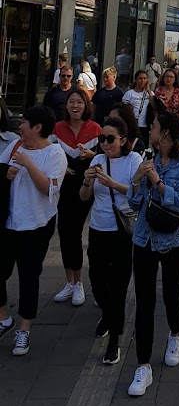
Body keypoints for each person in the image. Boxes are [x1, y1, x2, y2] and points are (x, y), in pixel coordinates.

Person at [126, 112, 179, 396]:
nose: (150, 130)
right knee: (144, 301)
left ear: (165, 132)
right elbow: (134, 204)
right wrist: (136, 181)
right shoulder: (147, 159)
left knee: (170, 295)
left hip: (173, 239)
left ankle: (175, 333)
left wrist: (158, 183)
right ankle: (143, 365)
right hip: (144, 237)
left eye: (154, 126)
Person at [0, 106, 67, 356]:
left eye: (25, 122)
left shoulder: (55, 154)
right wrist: (4, 172)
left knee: (29, 277)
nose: (20, 126)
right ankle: (4, 318)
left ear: (37, 128)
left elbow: (48, 189)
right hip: (9, 222)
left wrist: (28, 163)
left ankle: (24, 330)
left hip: (36, 225)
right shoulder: (15, 146)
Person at [80, 116, 142, 364]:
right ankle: (107, 314)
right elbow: (84, 197)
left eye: (109, 139)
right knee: (96, 279)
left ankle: (115, 339)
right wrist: (88, 181)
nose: (104, 143)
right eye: (101, 139)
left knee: (118, 285)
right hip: (98, 228)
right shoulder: (97, 160)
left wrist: (111, 183)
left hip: (122, 231)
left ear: (123, 140)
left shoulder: (133, 160)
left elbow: (138, 193)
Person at [52, 88, 102, 306]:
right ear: (66, 105)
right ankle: (69, 282)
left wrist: (91, 154)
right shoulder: (57, 128)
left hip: (85, 186)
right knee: (64, 231)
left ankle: (79, 282)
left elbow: (105, 156)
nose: (75, 106)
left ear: (86, 105)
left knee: (75, 231)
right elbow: (50, 154)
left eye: (79, 102)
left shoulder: (95, 129)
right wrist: (60, 168)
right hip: (64, 186)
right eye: (71, 101)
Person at [122, 70, 155, 143]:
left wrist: (149, 91)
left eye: (144, 78)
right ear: (136, 80)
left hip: (145, 125)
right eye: (140, 78)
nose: (142, 81)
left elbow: (154, 105)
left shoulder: (150, 93)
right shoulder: (129, 93)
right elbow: (123, 109)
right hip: (133, 124)